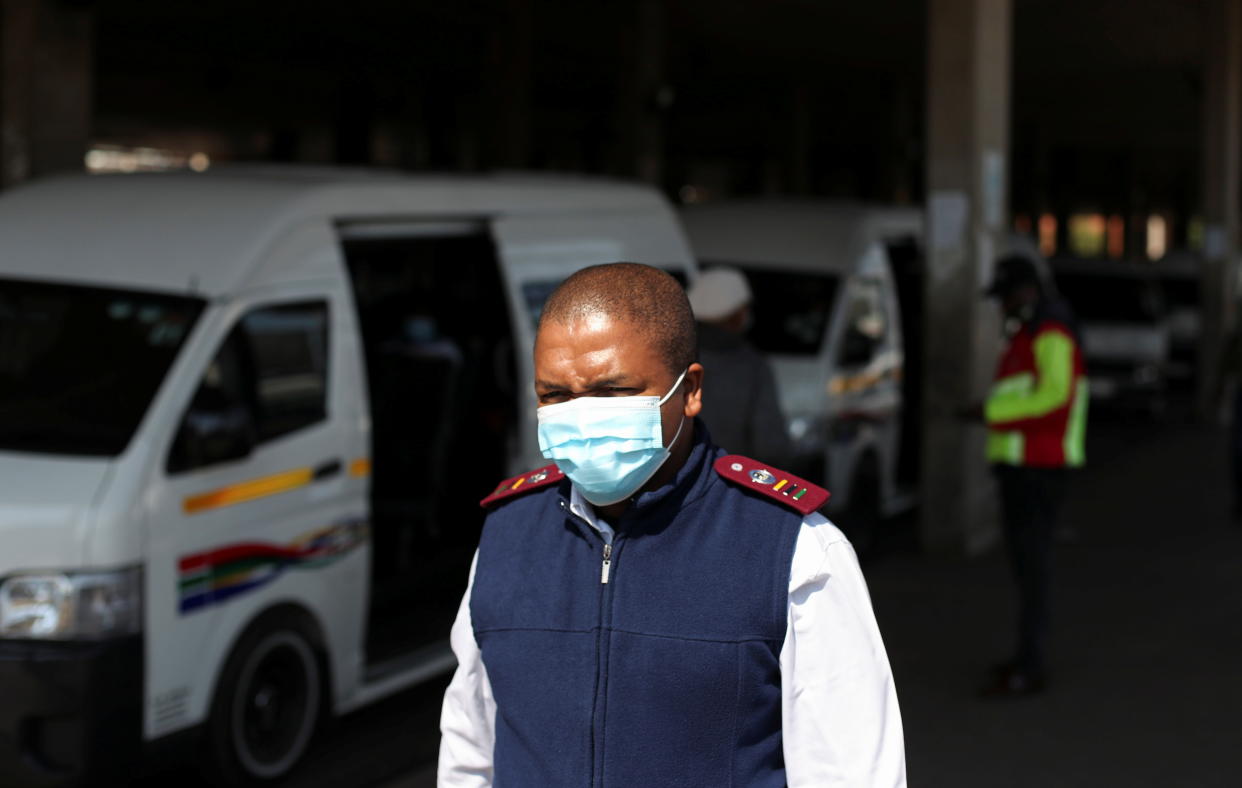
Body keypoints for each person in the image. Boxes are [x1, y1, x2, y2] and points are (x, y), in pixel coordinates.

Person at [438, 263, 905, 786]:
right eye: (555, 396)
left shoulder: (793, 551)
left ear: (690, 390)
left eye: (612, 391)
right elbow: (469, 746)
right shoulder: (507, 537)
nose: (581, 415)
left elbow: (850, 770)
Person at [978, 254, 1088, 697]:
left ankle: (1031, 664)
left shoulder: (1051, 331)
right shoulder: (1033, 329)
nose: (1001, 307)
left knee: (1034, 569)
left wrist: (990, 413)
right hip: (1024, 465)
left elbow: (1055, 396)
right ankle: (1026, 656)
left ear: (1024, 292)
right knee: (1027, 571)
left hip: (1039, 467)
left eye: (1004, 298)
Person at [686, 267, 793, 466]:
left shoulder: (671, 356)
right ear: (737, 314)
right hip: (731, 483)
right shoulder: (753, 367)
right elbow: (770, 444)